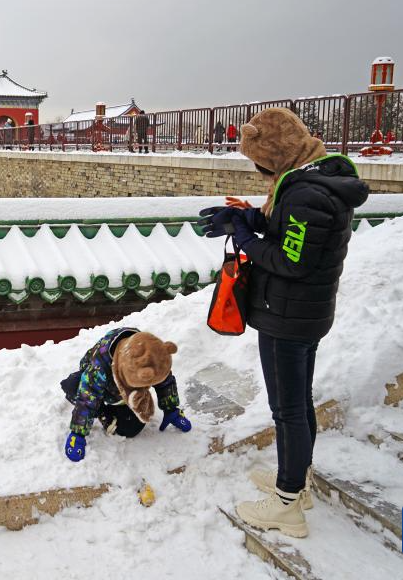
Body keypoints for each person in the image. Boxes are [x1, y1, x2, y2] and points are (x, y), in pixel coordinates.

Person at [199, 107, 369, 538]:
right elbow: (289, 229)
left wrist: (244, 239)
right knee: (299, 401)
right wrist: (245, 218)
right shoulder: (317, 178)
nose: (257, 170)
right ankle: (301, 481)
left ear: (273, 153)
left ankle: (287, 501)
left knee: (287, 409)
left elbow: (290, 259)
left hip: (288, 315)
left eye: (258, 159)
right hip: (304, 311)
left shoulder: (303, 192)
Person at [61, 329, 191, 462]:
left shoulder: (152, 351)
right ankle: (101, 411)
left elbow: (165, 380)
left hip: (126, 395)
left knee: (131, 429)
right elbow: (86, 398)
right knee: (72, 386)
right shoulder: (99, 367)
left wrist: (171, 409)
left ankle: (119, 408)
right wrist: (78, 432)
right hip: (103, 386)